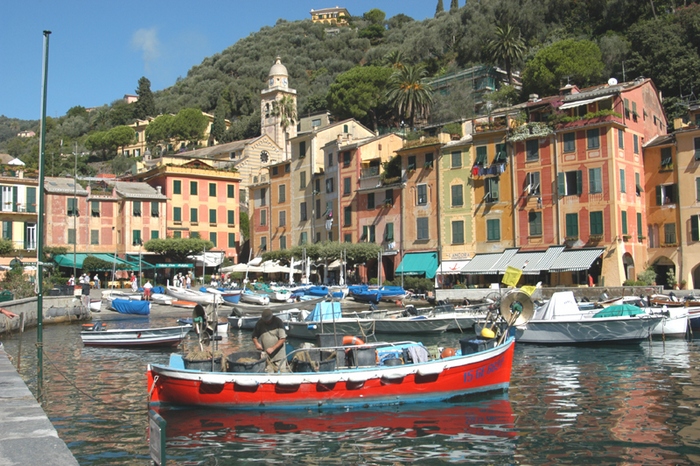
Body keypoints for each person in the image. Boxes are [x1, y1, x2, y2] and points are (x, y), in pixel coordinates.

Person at [252, 309, 289, 373]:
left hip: (279, 357)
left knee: (281, 373)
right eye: (265, 320)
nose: (267, 322)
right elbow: (254, 336)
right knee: (268, 374)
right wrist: (256, 343)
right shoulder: (260, 323)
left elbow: (283, 338)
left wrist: (273, 348)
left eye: (268, 320)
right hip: (267, 357)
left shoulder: (278, 322)